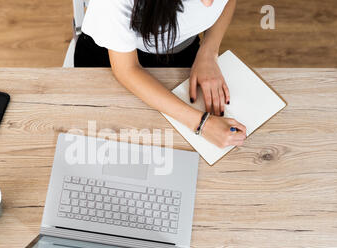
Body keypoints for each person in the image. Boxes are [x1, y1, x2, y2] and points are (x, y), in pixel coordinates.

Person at [74, 0, 247, 148]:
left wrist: (209, 51)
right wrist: (202, 124)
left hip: (179, 50)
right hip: (111, 58)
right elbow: (126, 70)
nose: (210, 3)